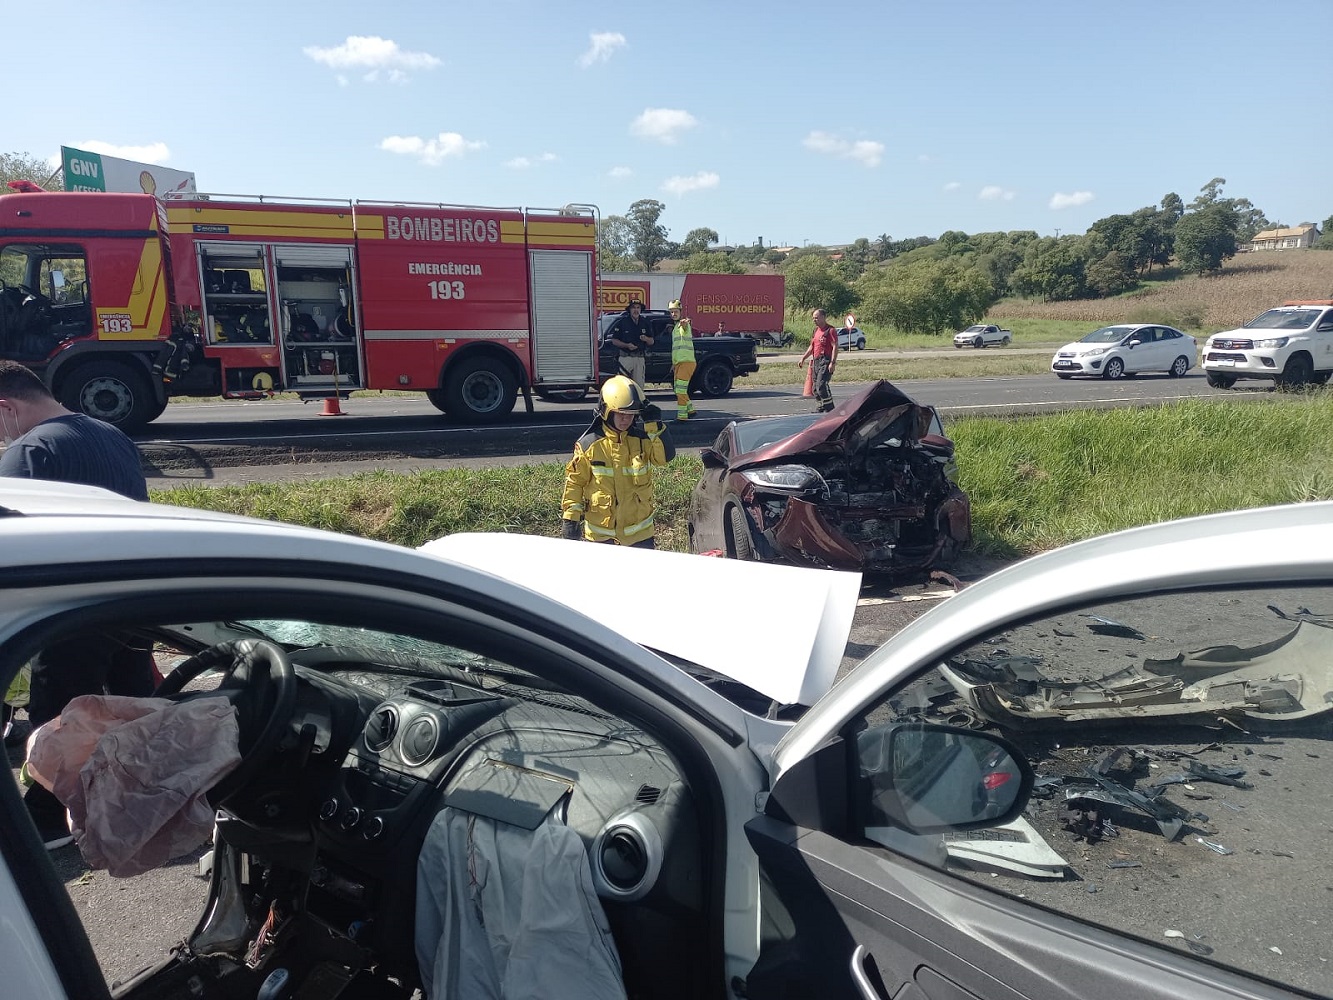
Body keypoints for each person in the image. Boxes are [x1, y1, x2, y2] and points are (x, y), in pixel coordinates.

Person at [0, 360, 155, 849]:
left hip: (73, 605)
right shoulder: (111, 434)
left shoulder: (30, 452)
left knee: (57, 712)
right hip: (136, 595)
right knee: (131, 703)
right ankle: (142, 795)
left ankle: (50, 817)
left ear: (6, 408)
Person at [561, 375, 674, 548]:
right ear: (607, 411)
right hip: (602, 537)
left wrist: (654, 425)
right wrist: (570, 519)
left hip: (640, 537)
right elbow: (575, 483)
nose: (625, 420)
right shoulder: (589, 445)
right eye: (621, 414)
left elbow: (664, 458)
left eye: (631, 415)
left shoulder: (642, 440)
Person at [605, 299, 654, 390]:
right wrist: (626, 345)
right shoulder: (622, 322)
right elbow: (614, 340)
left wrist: (646, 339)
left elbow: (651, 341)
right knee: (623, 386)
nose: (636, 310)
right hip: (625, 358)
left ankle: (638, 400)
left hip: (639, 358)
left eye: (638, 308)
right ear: (629, 310)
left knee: (639, 387)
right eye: (633, 308)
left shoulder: (645, 322)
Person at [797, 308, 839, 413]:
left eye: (816, 318)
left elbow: (835, 347)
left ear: (823, 317)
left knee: (821, 385)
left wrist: (832, 363)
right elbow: (812, 347)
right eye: (813, 318)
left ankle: (830, 409)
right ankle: (821, 407)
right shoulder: (816, 331)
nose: (814, 320)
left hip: (825, 360)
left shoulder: (830, 330)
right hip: (816, 361)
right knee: (815, 388)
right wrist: (803, 358)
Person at [668, 299, 697, 421]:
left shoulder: (682, 325)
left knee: (680, 390)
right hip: (679, 363)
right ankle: (689, 410)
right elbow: (676, 348)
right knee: (678, 389)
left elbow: (685, 327)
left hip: (686, 362)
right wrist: (674, 364)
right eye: (671, 312)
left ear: (681, 312)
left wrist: (685, 323)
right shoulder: (675, 328)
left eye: (676, 311)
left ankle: (682, 417)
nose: (673, 314)